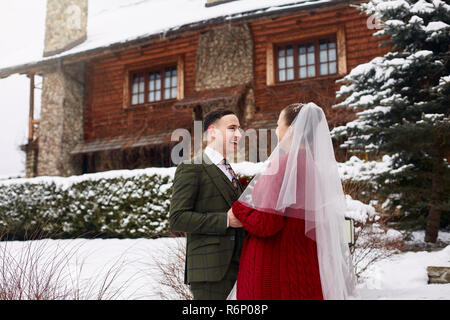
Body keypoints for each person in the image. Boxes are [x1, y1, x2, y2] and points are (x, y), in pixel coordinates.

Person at [228, 102, 357, 300]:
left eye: (279, 124)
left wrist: (239, 209)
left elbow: (267, 223)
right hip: (303, 265)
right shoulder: (316, 170)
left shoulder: (281, 166)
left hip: (275, 268)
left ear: (291, 129)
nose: (276, 130)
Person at [169, 108, 247, 300]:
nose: (239, 134)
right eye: (232, 128)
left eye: (239, 129)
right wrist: (225, 220)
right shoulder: (191, 168)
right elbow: (177, 218)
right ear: (212, 132)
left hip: (239, 267)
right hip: (209, 271)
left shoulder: (229, 170)